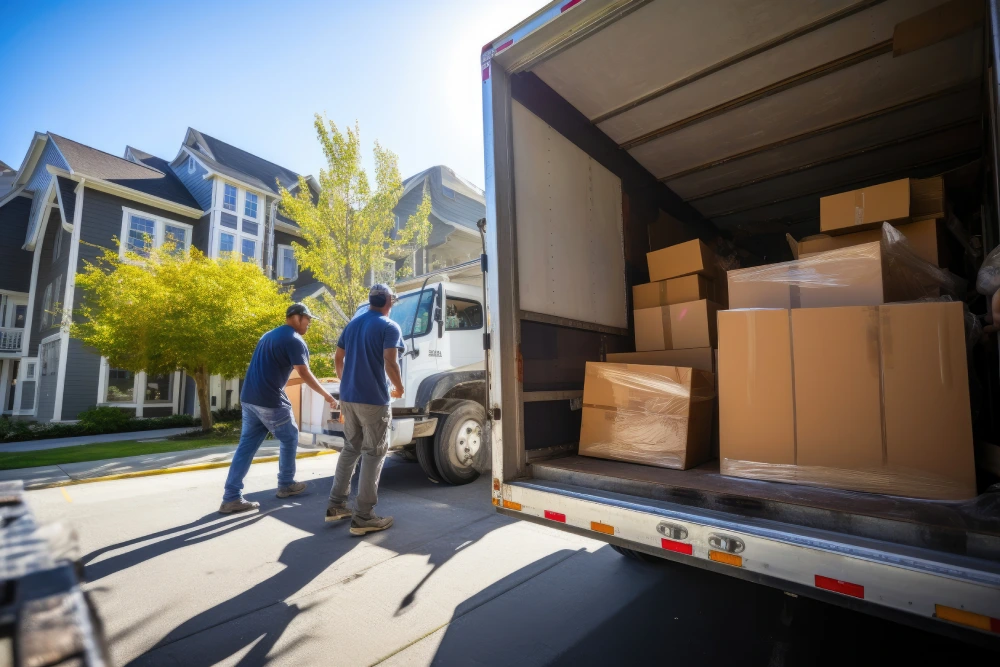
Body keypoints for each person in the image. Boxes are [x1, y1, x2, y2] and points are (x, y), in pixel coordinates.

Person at [219, 303, 337, 514]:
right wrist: (328, 396)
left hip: (249, 398)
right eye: (308, 320)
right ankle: (286, 484)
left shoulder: (268, 336)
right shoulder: (294, 340)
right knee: (290, 436)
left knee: (246, 447)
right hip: (269, 400)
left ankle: (231, 497)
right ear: (298, 317)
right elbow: (304, 372)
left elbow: (276, 372)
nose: (309, 324)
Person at [325, 283, 405, 535]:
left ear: (371, 300)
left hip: (348, 397)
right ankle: (363, 517)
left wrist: (346, 382)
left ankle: (336, 505)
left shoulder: (352, 324)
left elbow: (338, 358)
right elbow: (390, 361)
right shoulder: (389, 326)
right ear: (389, 302)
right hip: (373, 399)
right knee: (374, 452)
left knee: (351, 448)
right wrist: (399, 388)